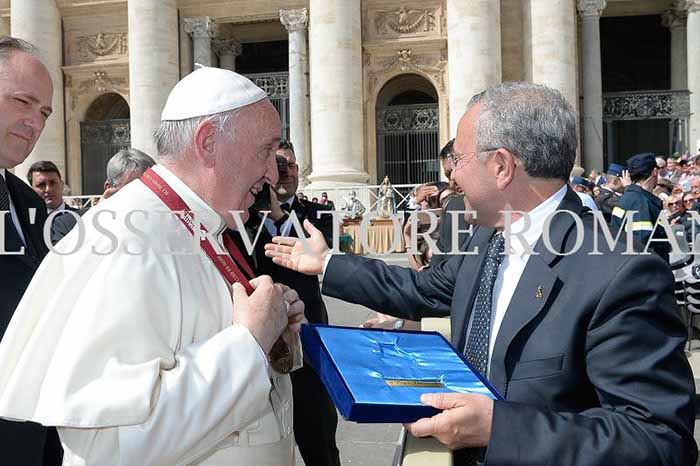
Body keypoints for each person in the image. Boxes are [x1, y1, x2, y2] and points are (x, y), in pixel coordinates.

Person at [265, 82, 696, 465]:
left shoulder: (620, 274)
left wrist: (499, 428)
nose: (452, 175)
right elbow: (422, 289)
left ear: (501, 166)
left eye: (459, 158)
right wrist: (327, 263)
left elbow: (658, 441)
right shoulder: (488, 239)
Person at [0, 67, 307, 465]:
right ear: (209, 142)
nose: (273, 174)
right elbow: (110, 447)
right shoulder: (127, 239)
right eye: (265, 150)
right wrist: (248, 341)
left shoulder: (198, 221)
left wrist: (272, 330)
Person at [238, 138, 341, 466]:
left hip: (307, 339)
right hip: (261, 342)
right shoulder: (244, 217)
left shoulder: (317, 212)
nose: (286, 173)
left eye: (291, 165)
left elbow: (326, 250)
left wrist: (280, 215)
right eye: (278, 165)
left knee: (319, 438)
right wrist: (263, 214)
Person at [0, 36, 62, 466]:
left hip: (32, 431)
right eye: (23, 101)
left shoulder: (28, 202)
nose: (35, 122)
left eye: (44, 112)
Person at [50, 148, 156, 244]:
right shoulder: (68, 225)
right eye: (132, 188)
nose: (141, 195)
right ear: (109, 188)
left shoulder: (161, 224)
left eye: (149, 188)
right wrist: (97, 220)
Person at [611, 152, 670, 263]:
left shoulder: (626, 198)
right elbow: (642, 245)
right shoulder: (641, 203)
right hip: (648, 270)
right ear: (655, 172)